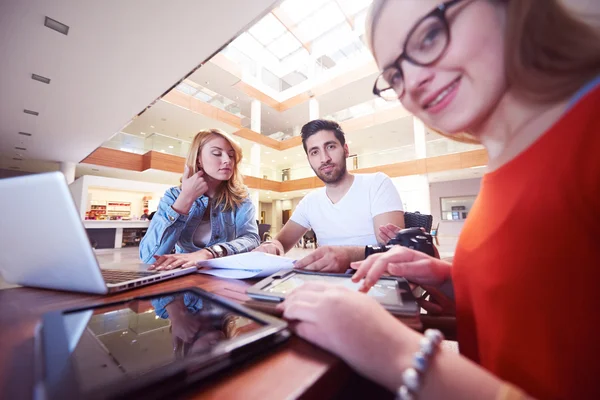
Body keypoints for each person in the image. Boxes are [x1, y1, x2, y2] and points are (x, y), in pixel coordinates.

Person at [278, 1, 600, 399]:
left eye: (429, 35)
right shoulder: (502, 166)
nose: (411, 83)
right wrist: (450, 278)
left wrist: (396, 352)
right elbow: (545, 307)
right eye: (395, 75)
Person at [253, 119, 405, 272]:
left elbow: (393, 250)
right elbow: (280, 242)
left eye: (330, 146)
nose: (324, 158)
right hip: (327, 285)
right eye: (314, 152)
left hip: (377, 281)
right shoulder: (310, 202)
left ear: (345, 150)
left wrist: (349, 256)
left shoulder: (377, 184)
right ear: (309, 160)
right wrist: (271, 247)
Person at [140, 128, 260, 269]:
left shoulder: (240, 196)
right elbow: (149, 257)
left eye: (231, 155)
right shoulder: (173, 196)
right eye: (217, 153)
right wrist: (185, 198)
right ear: (198, 160)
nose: (227, 160)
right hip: (183, 275)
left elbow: (251, 239)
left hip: (225, 274)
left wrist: (210, 253)